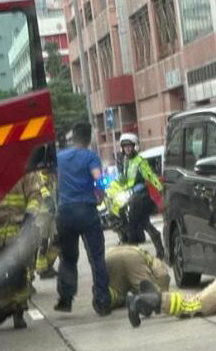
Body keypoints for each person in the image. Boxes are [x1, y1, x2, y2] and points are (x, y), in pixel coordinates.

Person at [55, 122, 111, 316]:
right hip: (87, 211)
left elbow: (51, 177)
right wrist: (101, 192)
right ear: (89, 139)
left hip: (65, 213)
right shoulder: (90, 157)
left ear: (73, 138)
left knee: (68, 258)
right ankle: (103, 301)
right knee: (96, 258)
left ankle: (66, 298)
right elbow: (99, 177)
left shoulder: (60, 157)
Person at [0, 173, 43, 329]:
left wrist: (30, 215)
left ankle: (19, 312)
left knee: (18, 274)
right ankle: (4, 308)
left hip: (18, 233)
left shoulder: (23, 171)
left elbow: (35, 195)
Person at [116, 133, 165, 259]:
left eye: (129, 146)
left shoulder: (140, 161)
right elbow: (124, 181)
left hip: (141, 196)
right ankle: (159, 250)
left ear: (134, 146)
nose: (127, 149)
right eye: (125, 146)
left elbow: (150, 175)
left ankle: (134, 255)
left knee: (133, 225)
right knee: (144, 223)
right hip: (132, 196)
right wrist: (117, 177)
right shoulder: (126, 162)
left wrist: (160, 188)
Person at [105, 245, 170, 309]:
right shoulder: (154, 260)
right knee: (148, 292)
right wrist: (162, 291)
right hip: (132, 257)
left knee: (116, 295)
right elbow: (162, 274)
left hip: (109, 258)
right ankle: (137, 301)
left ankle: (107, 300)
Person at [35, 168, 60, 279]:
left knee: (57, 239)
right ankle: (42, 269)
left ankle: (48, 265)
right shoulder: (38, 177)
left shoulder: (52, 176)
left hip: (53, 214)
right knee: (43, 243)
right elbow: (41, 190)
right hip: (41, 213)